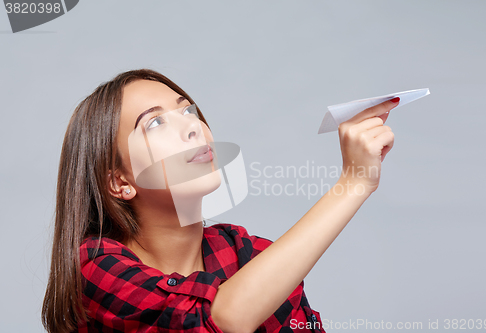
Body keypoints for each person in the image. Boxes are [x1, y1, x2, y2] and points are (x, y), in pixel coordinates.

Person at [41, 68, 398, 333]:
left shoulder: (249, 255)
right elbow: (218, 319)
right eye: (154, 124)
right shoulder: (96, 267)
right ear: (120, 182)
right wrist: (353, 183)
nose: (193, 127)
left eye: (187, 111)